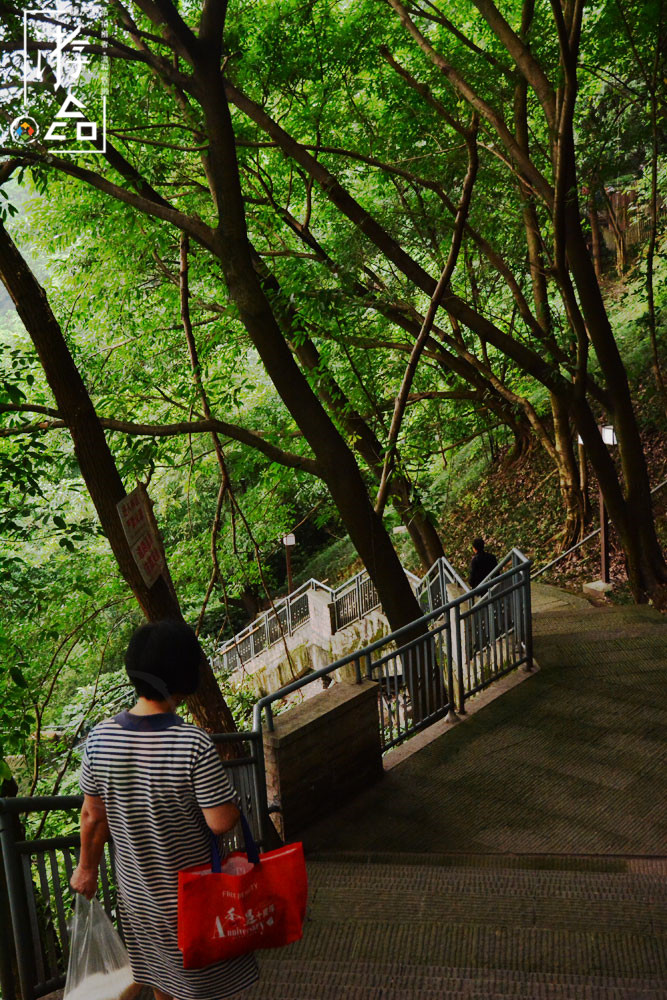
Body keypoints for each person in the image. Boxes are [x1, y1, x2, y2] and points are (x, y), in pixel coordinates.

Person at [70, 620, 259, 1000]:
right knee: (199, 983)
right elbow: (220, 821)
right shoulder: (193, 743)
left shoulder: (100, 737)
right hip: (191, 896)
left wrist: (86, 868)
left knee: (162, 981)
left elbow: (92, 815)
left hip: (138, 897)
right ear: (184, 674)